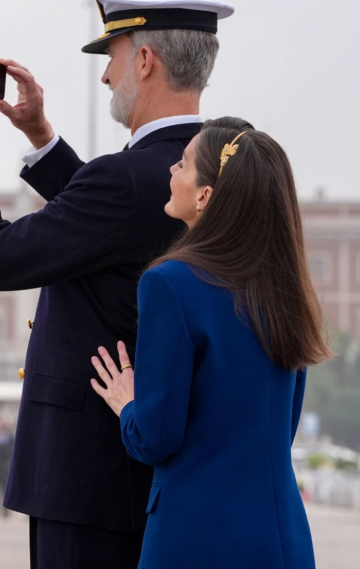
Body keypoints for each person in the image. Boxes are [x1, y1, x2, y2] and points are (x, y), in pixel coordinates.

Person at [0, 0, 233, 568]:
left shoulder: (125, 181)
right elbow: (118, 225)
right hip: (150, 475)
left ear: (145, 61)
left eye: (112, 57)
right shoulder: (215, 164)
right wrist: (41, 137)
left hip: (86, 483)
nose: (106, 79)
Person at [89, 121, 332, 567]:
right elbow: (281, 427)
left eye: (182, 164)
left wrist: (127, 404)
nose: (170, 170)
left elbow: (156, 437)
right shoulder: (285, 290)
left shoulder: (171, 284)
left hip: (196, 539)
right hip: (282, 540)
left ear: (204, 195)